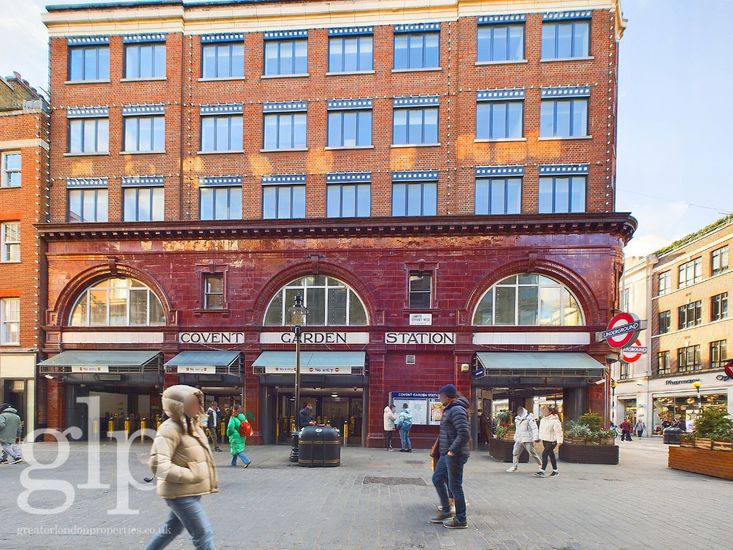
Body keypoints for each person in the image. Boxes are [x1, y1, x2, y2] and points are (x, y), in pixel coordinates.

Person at [145, 385, 218, 550]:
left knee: (172, 529)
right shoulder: (169, 429)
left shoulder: (193, 426)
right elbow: (157, 463)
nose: (197, 406)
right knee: (203, 534)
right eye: (192, 403)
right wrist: (190, 475)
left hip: (190, 490)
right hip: (179, 493)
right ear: (178, 405)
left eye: (198, 402)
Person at [430, 384, 470, 529]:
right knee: (437, 478)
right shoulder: (449, 409)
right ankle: (446, 511)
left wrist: (452, 450)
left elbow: (464, 433)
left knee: (455, 486)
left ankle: (461, 519)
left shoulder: (457, 410)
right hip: (445, 453)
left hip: (455, 454)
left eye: (441, 395)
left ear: (447, 396)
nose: (439, 398)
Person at [506, 406, 542, 472]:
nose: (518, 412)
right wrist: (515, 437)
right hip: (519, 439)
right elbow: (517, 430)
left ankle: (541, 465)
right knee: (515, 453)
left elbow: (534, 428)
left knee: (532, 453)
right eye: (518, 411)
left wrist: (536, 438)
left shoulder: (529, 418)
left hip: (527, 439)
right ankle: (514, 467)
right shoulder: (517, 419)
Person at [535, 406, 563, 477]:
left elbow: (559, 432)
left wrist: (559, 441)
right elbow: (541, 430)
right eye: (542, 411)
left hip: (552, 441)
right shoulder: (542, 420)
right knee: (551, 455)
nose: (543, 412)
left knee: (544, 454)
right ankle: (555, 471)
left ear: (550, 412)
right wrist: (538, 438)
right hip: (545, 440)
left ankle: (542, 471)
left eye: (545, 410)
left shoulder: (555, 421)